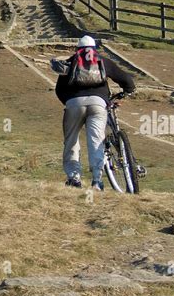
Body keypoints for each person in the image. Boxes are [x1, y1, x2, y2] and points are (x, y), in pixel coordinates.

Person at [51, 35, 135, 191]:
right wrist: (127, 91)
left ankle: (74, 178)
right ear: (94, 48)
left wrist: (69, 103)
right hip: (98, 103)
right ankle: (97, 181)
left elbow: (59, 90)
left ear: (78, 49)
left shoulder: (70, 61)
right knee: (96, 141)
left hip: (74, 104)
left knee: (71, 140)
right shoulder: (102, 61)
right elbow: (127, 80)